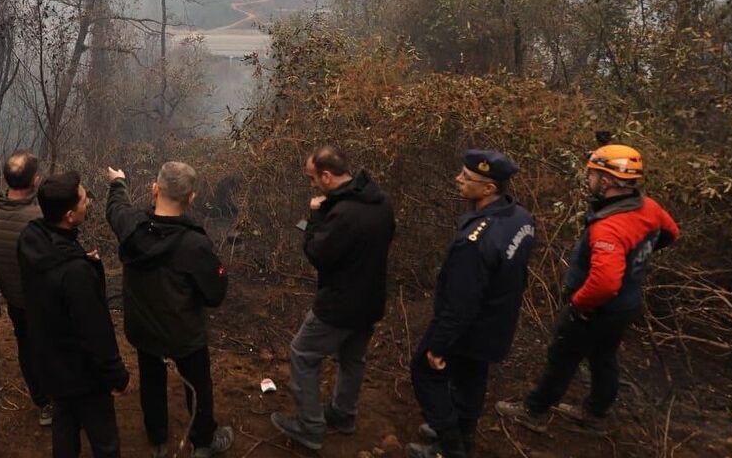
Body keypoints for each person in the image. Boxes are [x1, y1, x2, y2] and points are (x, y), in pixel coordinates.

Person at [497, 145, 679, 435]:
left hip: (596, 310)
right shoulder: (648, 207)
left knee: (562, 357)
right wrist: (637, 257)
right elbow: (670, 232)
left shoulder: (610, 227)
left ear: (606, 181)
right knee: (603, 357)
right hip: (626, 304)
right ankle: (595, 414)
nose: (589, 179)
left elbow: (605, 282)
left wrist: (579, 305)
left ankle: (534, 411)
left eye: (592, 174)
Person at [407, 150, 536, 458]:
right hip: (498, 321)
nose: (458, 180)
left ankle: (450, 445)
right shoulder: (520, 218)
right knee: (471, 379)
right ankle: (463, 433)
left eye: (467, 177)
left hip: (471, 327)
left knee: (425, 373)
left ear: (489, 188)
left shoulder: (476, 242)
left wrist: (439, 345)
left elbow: (460, 302)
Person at [270, 146, 395, 450]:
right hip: (371, 299)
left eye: (313, 178)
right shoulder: (379, 202)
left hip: (340, 303)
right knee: (352, 358)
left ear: (327, 176)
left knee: (302, 353)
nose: (312, 184)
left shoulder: (344, 214)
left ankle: (310, 427)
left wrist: (315, 217)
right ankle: (343, 414)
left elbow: (318, 253)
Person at [105, 162, 233, 458]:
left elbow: (116, 208)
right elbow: (214, 294)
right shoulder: (195, 244)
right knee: (198, 385)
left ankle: (158, 440)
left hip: (145, 329)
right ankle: (203, 440)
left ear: (154, 189)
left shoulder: (132, 228)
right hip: (184, 334)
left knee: (151, 380)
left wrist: (118, 182)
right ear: (191, 198)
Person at [18, 171, 131, 458]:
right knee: (104, 439)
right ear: (69, 215)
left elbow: (51, 283)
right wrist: (117, 376)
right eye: (83, 200)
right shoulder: (75, 273)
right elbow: (95, 332)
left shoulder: (31, 238)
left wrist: (79, 259)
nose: (87, 202)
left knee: (64, 422)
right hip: (82, 374)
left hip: (49, 360)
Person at [0, 150, 52, 425]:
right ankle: (60, 398)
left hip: (15, 298)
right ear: (35, 180)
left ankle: (43, 402)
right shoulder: (41, 216)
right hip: (46, 299)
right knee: (54, 345)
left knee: (26, 345)